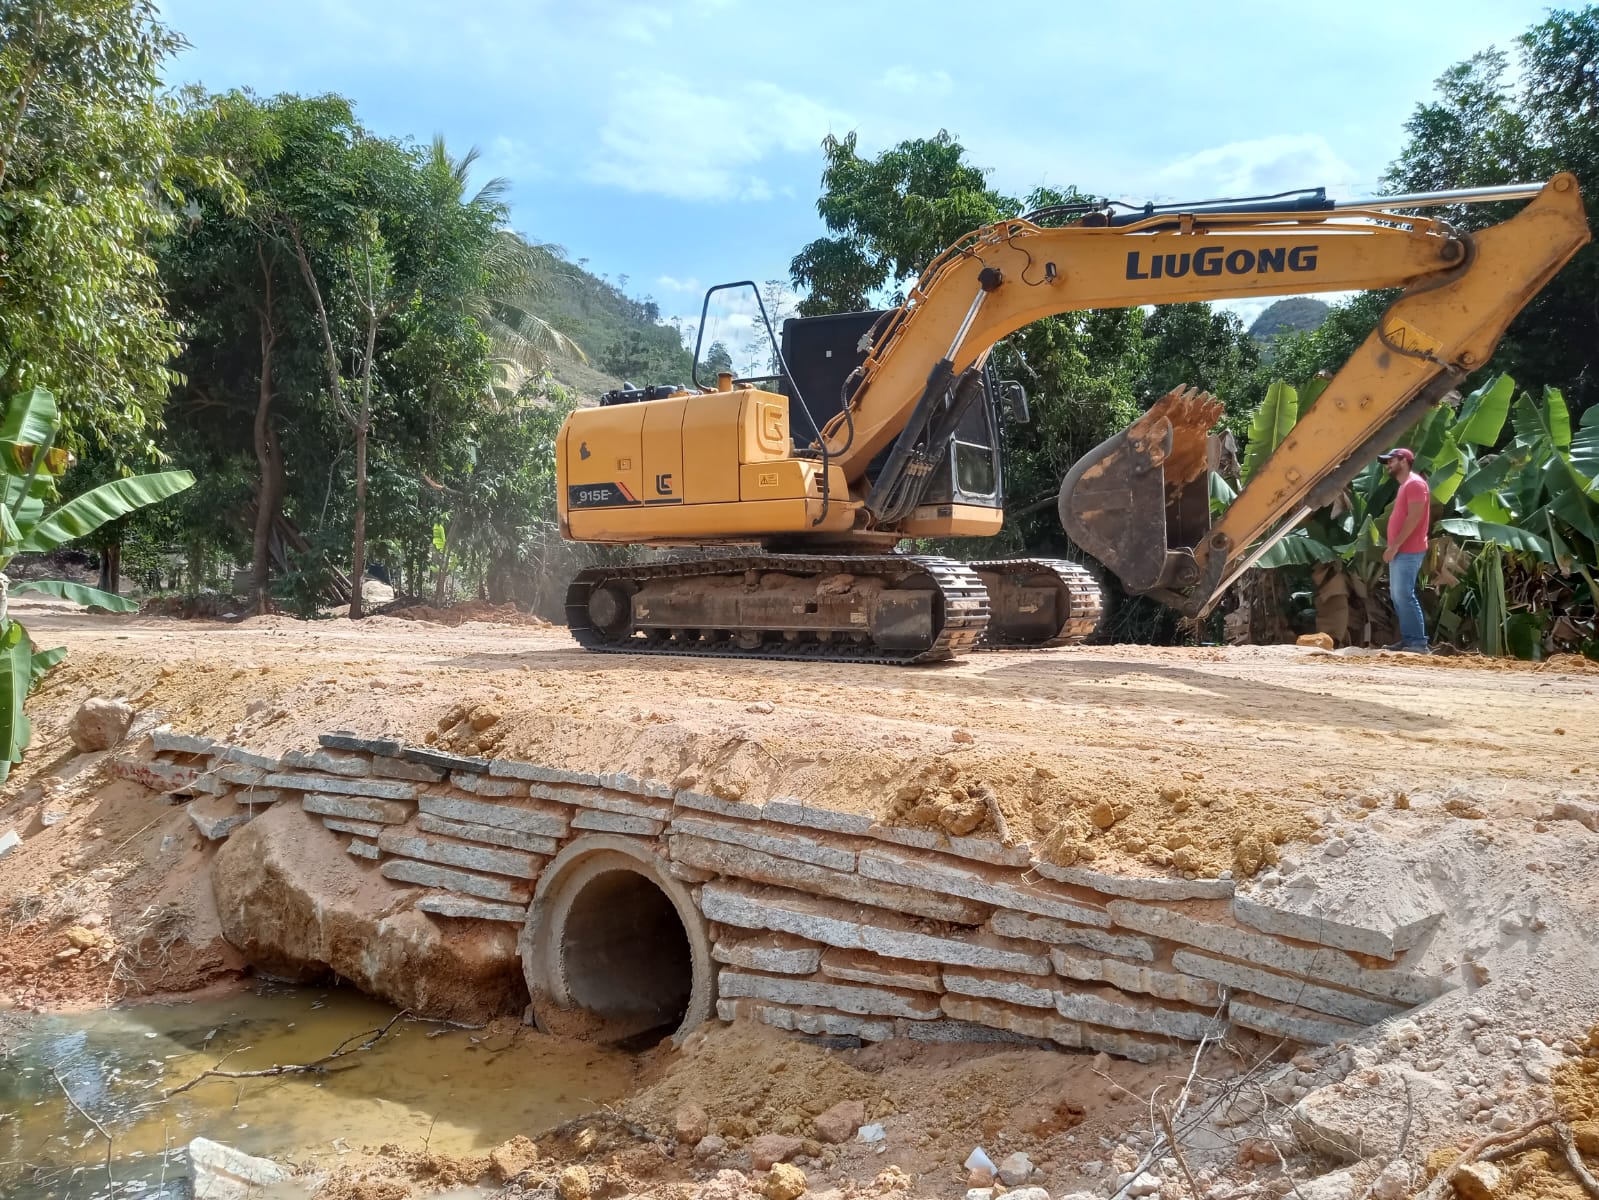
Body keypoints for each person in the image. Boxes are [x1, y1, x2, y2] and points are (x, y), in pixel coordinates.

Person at [1379, 448, 1431, 653]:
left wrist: (1395, 546)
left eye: (1391, 461)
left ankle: (1418, 643)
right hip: (1402, 550)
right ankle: (1410, 640)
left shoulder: (1415, 484)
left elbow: (1414, 518)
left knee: (1404, 594)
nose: (1388, 465)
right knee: (1398, 595)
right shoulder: (1406, 485)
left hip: (1408, 550)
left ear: (1404, 461)